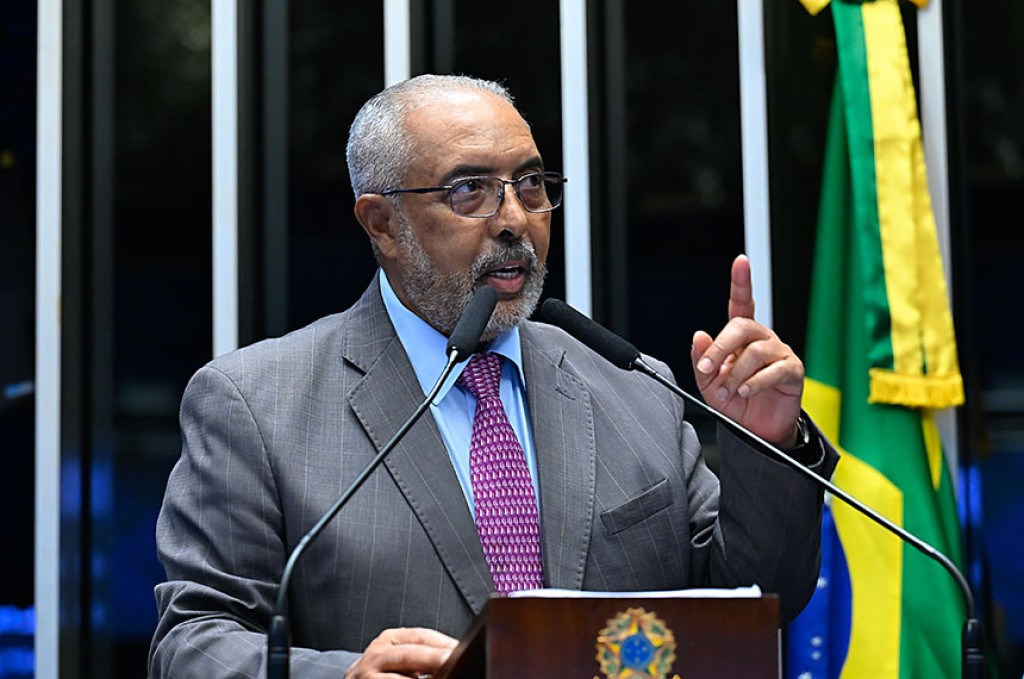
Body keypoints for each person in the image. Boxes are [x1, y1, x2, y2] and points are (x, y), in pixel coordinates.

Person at [149, 73, 839, 679]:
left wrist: (767, 446)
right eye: (470, 190)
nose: (514, 220)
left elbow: (755, 601)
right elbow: (193, 642)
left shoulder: (634, 387)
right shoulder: (257, 404)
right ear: (382, 223)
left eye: (531, 185)